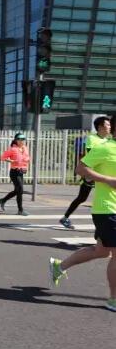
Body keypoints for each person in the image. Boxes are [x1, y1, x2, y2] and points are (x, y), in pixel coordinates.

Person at [49, 114, 116, 312]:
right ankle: (113, 299)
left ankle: (58, 267)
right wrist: (107, 180)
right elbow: (80, 168)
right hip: (108, 209)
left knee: (101, 251)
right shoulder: (105, 148)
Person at [60, 116, 111, 229]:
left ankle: (102, 226)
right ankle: (65, 217)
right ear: (100, 127)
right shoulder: (92, 139)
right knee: (82, 198)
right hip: (91, 174)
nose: (110, 127)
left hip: (103, 174)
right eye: (108, 125)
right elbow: (91, 155)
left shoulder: (107, 141)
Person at [0, 133, 30, 216]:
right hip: (14, 172)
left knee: (18, 190)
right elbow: (2, 157)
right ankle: (20, 210)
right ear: (16, 140)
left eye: (23, 139)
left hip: (21, 172)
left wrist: (25, 167)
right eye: (20, 139)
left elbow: (26, 160)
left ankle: (3, 200)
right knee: (20, 190)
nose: (22, 141)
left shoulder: (25, 149)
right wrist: (11, 161)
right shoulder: (12, 149)